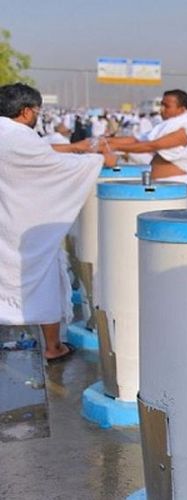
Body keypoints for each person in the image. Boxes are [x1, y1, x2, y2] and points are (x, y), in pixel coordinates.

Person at [0, 83, 116, 362]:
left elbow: (40, 153)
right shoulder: (20, 136)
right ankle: (53, 347)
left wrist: (74, 147)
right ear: (26, 111)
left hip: (4, 219)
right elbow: (53, 167)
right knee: (44, 277)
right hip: (23, 227)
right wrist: (100, 160)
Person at [99, 89, 187, 208]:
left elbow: (152, 145)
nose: (162, 109)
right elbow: (137, 140)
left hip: (178, 186)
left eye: (167, 106)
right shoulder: (163, 128)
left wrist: (115, 146)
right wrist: (106, 141)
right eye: (161, 105)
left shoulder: (186, 128)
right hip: (160, 187)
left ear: (182, 109)